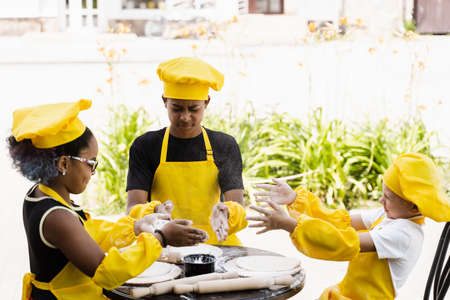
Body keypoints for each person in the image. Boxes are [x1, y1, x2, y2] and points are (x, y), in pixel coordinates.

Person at [8, 99, 207, 300]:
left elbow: (87, 233)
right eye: (91, 163)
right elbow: (107, 271)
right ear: (64, 163)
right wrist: (160, 238)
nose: (93, 172)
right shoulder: (57, 217)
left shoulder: (41, 193)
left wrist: (135, 228)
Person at [247, 153, 450, 300]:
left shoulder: (404, 234)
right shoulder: (391, 215)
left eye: (387, 197)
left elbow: (344, 242)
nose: (380, 201)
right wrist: (295, 200)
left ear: (414, 205)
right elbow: (340, 221)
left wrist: (290, 224)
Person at [126, 56, 248, 246]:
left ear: (206, 103)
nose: (185, 117)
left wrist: (226, 212)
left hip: (216, 244)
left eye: (194, 109)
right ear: (165, 101)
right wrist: (156, 212)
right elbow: (133, 207)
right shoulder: (146, 146)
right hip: (164, 245)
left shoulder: (224, 145)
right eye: (176, 108)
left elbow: (238, 206)